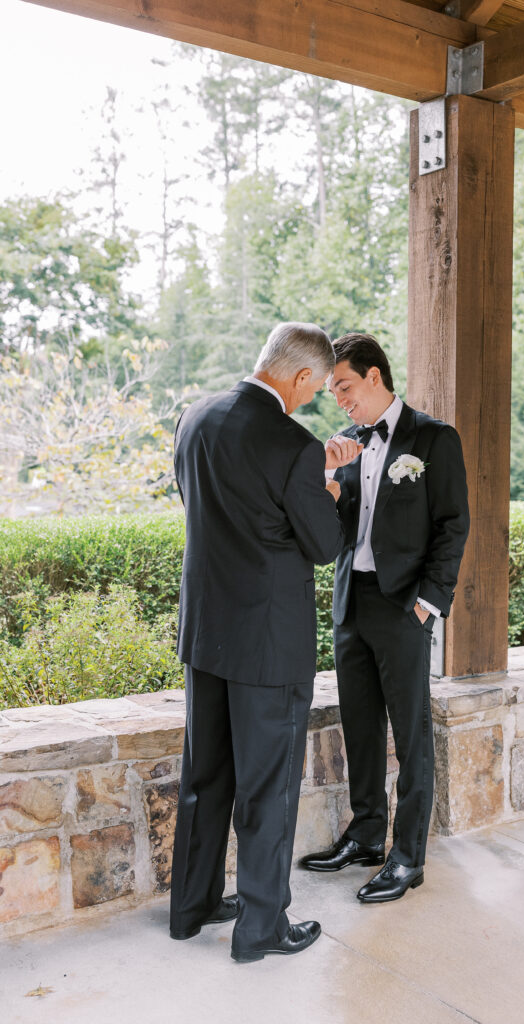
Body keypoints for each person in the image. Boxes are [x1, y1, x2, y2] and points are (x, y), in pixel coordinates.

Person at [170, 322, 347, 963]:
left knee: (205, 777)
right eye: (318, 386)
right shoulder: (294, 446)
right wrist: (328, 487)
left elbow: (208, 502)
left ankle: (190, 908)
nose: (315, 398)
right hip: (268, 645)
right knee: (269, 787)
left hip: (205, 634)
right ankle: (263, 929)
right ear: (300, 376)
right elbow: (323, 545)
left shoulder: (196, 417)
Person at [300, 333, 469, 902]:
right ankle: (367, 834)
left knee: (412, 734)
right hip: (352, 603)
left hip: (403, 606)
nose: (338, 400)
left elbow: (453, 525)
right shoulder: (344, 441)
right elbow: (336, 530)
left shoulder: (434, 438)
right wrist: (325, 482)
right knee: (360, 727)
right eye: (331, 392)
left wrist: (428, 602)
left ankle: (407, 856)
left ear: (374, 376)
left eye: (344, 387)